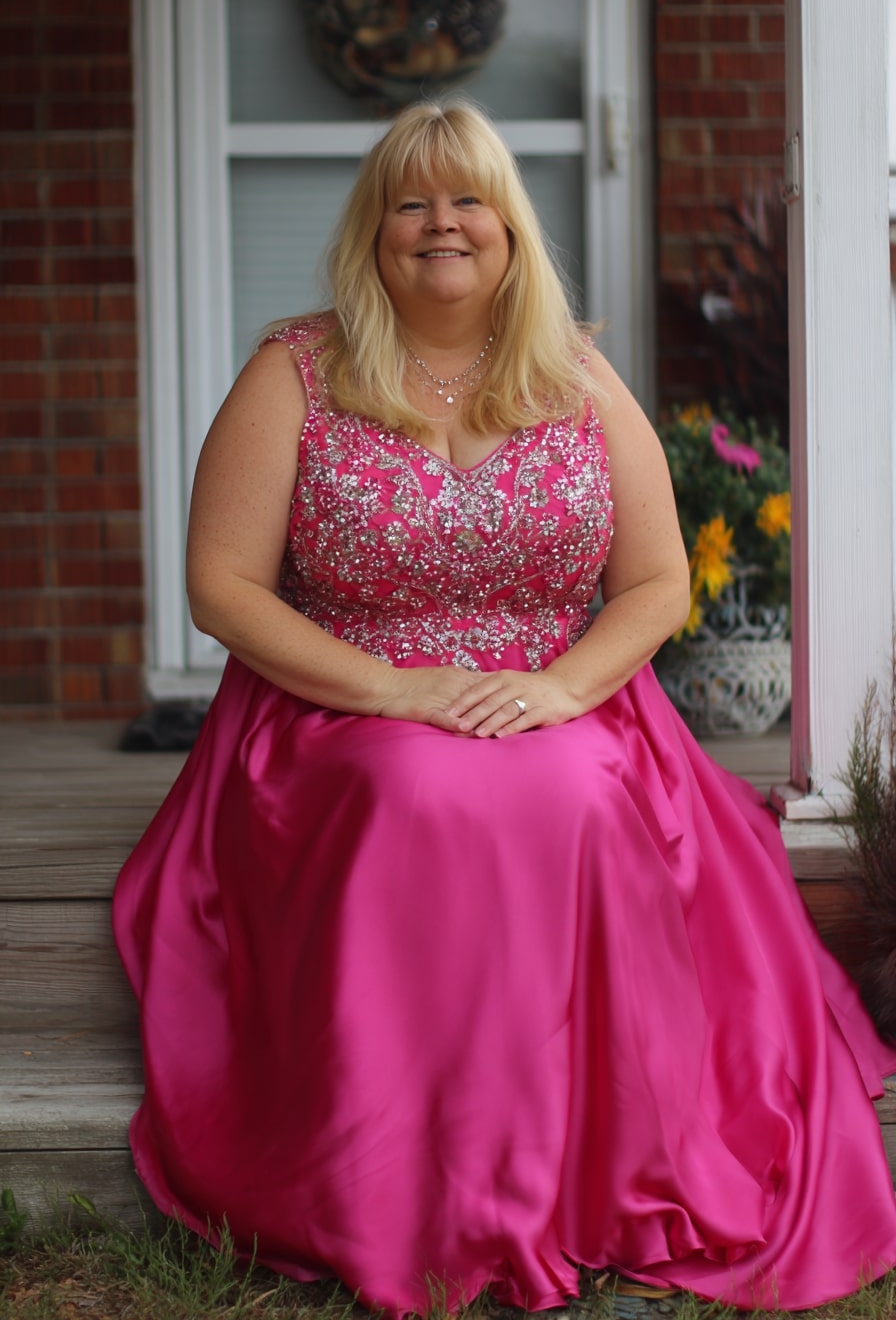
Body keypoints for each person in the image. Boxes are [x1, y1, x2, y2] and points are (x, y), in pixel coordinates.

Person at [113, 100, 896, 1316]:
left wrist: (557, 688)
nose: (441, 224)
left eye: (467, 198)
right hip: (335, 706)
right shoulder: (295, 371)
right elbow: (220, 586)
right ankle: (415, 1192)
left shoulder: (574, 372)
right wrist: (394, 688)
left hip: (556, 698)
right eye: (410, 202)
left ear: (509, 227)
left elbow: (651, 579)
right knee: (415, 788)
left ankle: (584, 1180)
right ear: (373, 233)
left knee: (573, 796)